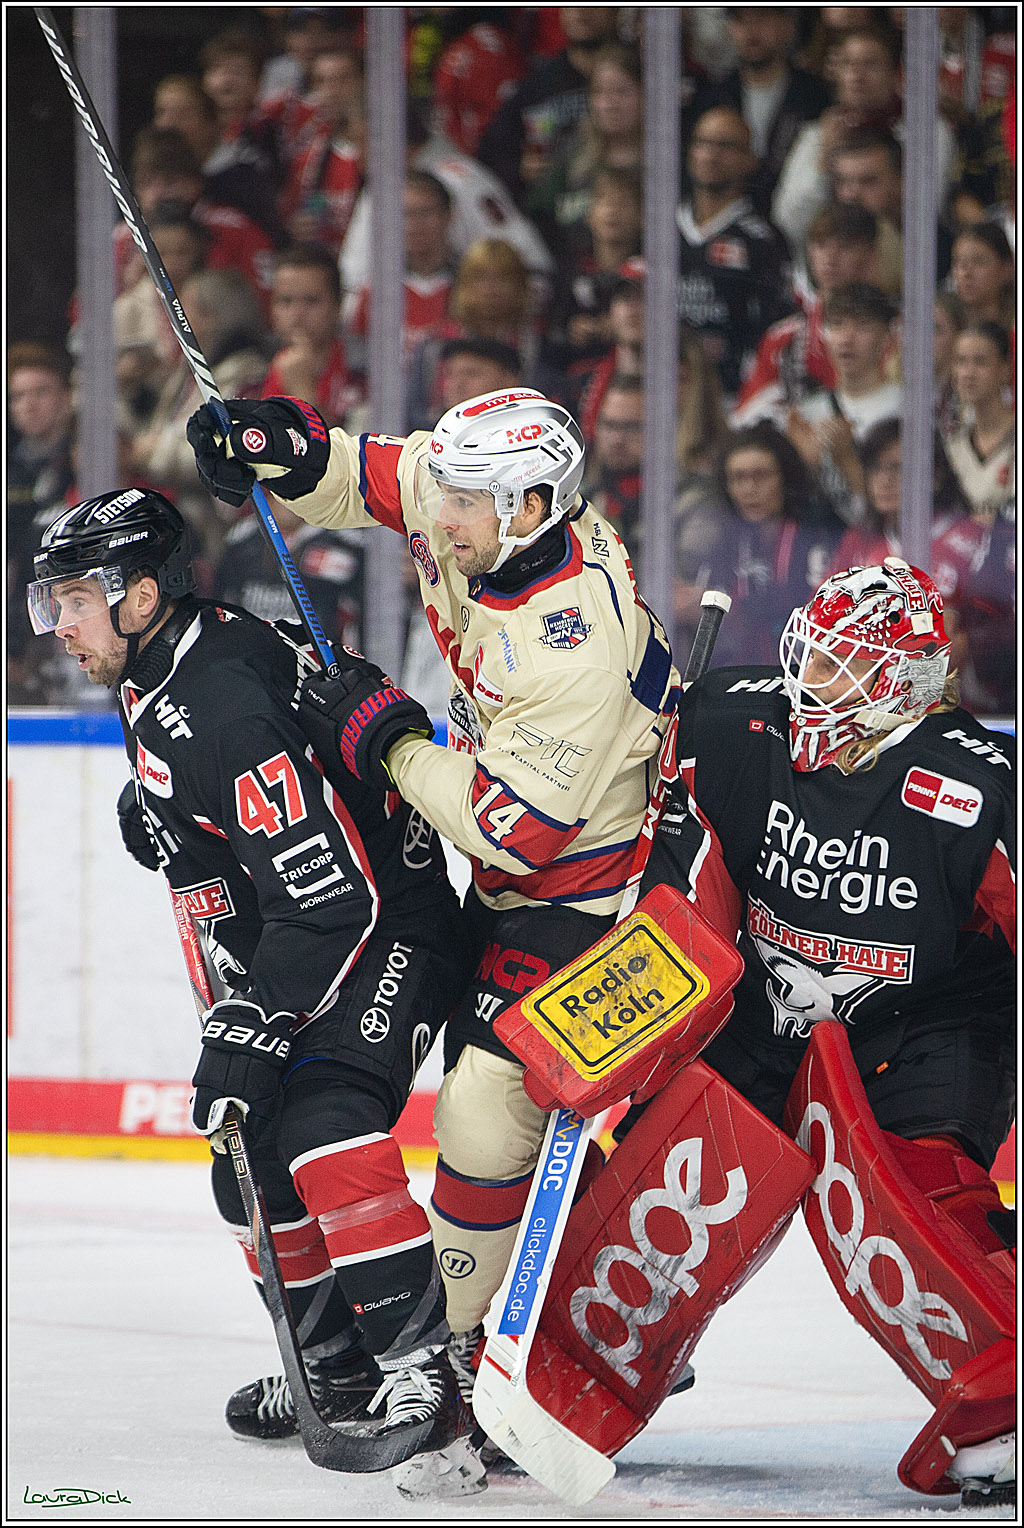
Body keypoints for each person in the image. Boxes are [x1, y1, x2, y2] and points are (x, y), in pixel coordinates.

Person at [185, 384, 680, 1458]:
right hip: (513, 884)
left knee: (483, 1110)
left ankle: (456, 1354)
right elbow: (370, 477)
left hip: (594, 895)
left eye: (464, 505)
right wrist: (281, 445)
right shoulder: (488, 505)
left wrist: (390, 740)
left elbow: (514, 830)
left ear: (535, 503)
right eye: (448, 496)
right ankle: (383, 1351)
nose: (438, 521)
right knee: (339, 1093)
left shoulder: (571, 642)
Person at [25, 488, 481, 1492]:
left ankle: (428, 1376)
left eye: (72, 601)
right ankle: (337, 1370)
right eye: (48, 601)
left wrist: (256, 1017)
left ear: (139, 595)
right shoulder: (166, 661)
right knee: (242, 1160)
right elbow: (239, 801)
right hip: (315, 931)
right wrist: (170, 814)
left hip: (387, 928)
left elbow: (331, 895)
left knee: (318, 1124)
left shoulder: (224, 705)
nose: (57, 624)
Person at [630, 557, 1015, 1508]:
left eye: (841, 665)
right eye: (811, 652)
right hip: (763, 1011)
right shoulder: (734, 718)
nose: (811, 679)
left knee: (927, 1193)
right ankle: (621, 1341)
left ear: (903, 684)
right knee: (662, 1165)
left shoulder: (978, 785)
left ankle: (998, 1405)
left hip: (925, 1025)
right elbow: (630, 759)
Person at [676, 106, 793, 403]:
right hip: (660, 394)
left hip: (731, 398)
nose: (710, 154)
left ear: (750, 159)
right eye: (702, 143)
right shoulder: (658, 230)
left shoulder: (763, 241)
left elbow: (776, 325)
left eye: (725, 146)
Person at [733, 201, 879, 425]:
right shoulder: (782, 338)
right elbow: (745, 419)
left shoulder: (896, 332)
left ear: (870, 254)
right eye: (821, 245)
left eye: (844, 246)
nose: (831, 258)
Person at [785, 283, 902, 523]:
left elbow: (899, 508)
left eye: (862, 326)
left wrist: (845, 458)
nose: (847, 339)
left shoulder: (905, 407)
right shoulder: (808, 411)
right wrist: (799, 462)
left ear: (886, 338)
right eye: (837, 325)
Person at [261, 244, 358, 427]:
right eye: (285, 301)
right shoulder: (253, 369)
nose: (297, 314)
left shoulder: (361, 370)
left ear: (337, 306)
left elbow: (356, 449)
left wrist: (303, 392)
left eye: (311, 301)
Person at [944, 322, 1015, 519]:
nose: (968, 373)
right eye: (961, 361)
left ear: (1005, 370)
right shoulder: (952, 444)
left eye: (981, 362)